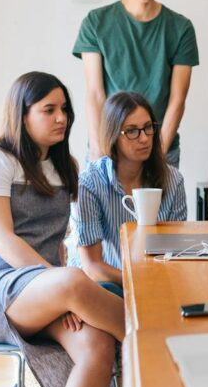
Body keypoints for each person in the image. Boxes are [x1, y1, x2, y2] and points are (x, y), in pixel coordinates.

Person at [0, 72, 122, 387]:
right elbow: (2, 239)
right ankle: (159, 341)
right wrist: (60, 287)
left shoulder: (64, 167)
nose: (62, 118)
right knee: (75, 282)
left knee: (98, 347)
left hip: (45, 292)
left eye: (64, 109)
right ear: (22, 114)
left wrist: (59, 291)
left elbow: (56, 242)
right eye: (49, 110)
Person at [74, 0, 198, 166]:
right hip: (109, 146)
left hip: (160, 146)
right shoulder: (96, 23)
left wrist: (158, 155)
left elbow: (177, 99)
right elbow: (95, 93)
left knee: (161, 204)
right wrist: (99, 150)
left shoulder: (181, 28)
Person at [69, 91, 187, 294]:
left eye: (148, 128)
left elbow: (175, 253)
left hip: (155, 283)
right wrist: (141, 281)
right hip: (103, 286)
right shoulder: (90, 182)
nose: (144, 138)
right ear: (113, 135)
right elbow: (93, 267)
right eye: (132, 131)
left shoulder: (173, 180)